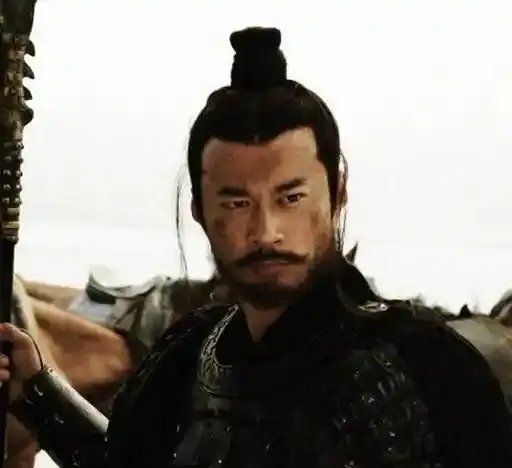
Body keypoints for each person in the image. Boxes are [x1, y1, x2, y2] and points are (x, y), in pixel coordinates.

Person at [1, 26, 511, 468]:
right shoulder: (185, 359)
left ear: (337, 193)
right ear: (200, 210)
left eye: (291, 198)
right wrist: (36, 390)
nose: (266, 231)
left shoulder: (426, 366)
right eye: (237, 202)